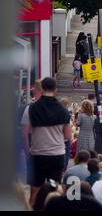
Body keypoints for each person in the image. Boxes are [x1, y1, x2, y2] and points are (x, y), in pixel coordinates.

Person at [22, 77, 72, 207]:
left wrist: (28, 152)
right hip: (57, 154)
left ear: (42, 88)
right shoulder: (63, 110)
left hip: (37, 154)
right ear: (55, 89)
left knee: (35, 190)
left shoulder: (31, 109)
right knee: (54, 189)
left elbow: (24, 134)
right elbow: (68, 136)